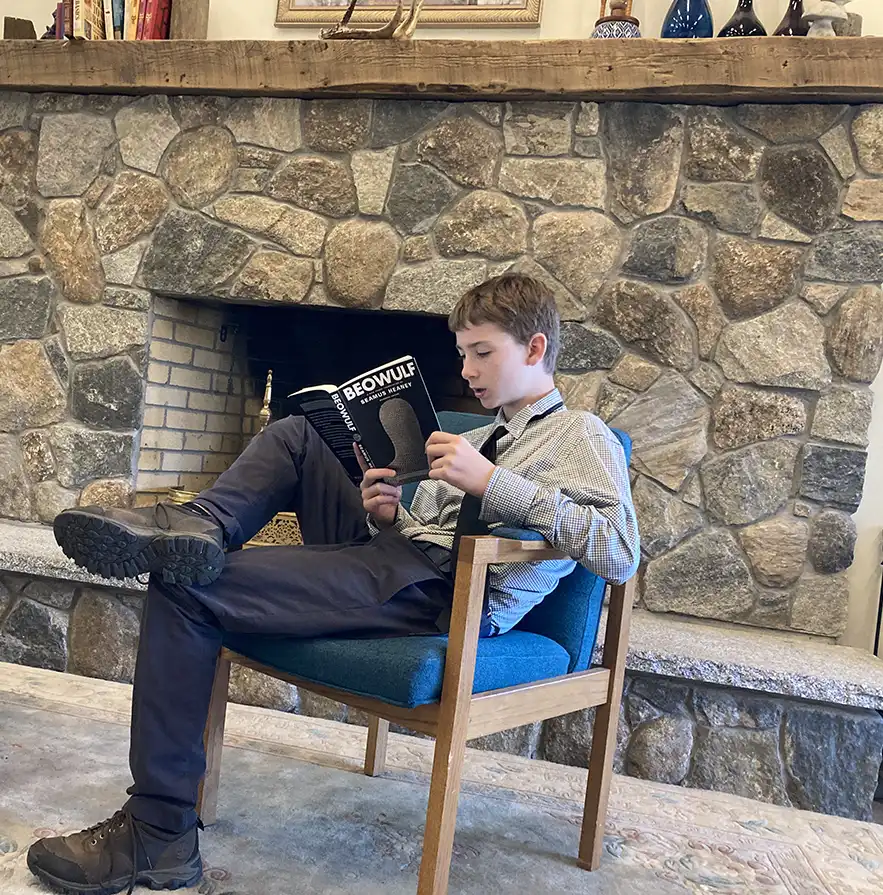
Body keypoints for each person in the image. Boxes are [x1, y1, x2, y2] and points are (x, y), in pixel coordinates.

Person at [27, 273, 639, 895]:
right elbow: (421, 526)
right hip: (399, 555)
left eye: (483, 353)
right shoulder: (476, 438)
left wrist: (490, 483)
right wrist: (386, 508)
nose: (470, 368)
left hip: (447, 593)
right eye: (462, 355)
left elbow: (619, 551)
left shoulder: (581, 436)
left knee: (188, 586)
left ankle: (159, 833)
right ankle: (203, 522)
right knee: (298, 434)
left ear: (535, 349)